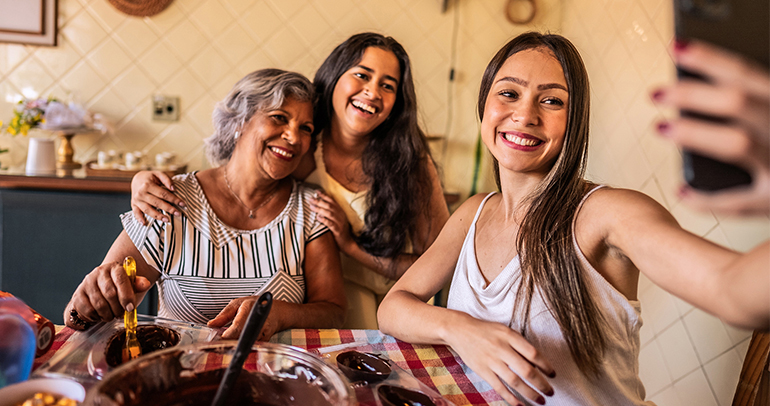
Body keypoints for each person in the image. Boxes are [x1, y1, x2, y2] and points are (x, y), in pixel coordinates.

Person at [377, 32, 770, 406]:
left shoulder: (605, 213)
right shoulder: (473, 212)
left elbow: (731, 290)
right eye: (509, 93)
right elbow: (393, 307)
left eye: (551, 101)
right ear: (484, 107)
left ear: (576, 121)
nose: (525, 114)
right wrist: (460, 329)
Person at [128, 33, 450, 329]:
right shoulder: (303, 149)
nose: (372, 91)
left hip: (397, 294)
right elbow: (240, 169)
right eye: (362, 75)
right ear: (335, 79)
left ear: (397, 104)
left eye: (388, 85)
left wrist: (350, 246)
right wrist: (141, 181)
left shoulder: (410, 163)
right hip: (324, 295)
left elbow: (442, 262)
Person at [64, 69, 345, 340]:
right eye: (279, 117)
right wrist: (87, 307)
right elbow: (81, 314)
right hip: (180, 374)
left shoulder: (311, 207)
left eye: (305, 128)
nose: (294, 137)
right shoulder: (171, 198)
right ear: (239, 123)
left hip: (280, 375)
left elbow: (333, 312)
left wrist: (282, 314)